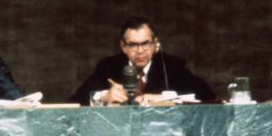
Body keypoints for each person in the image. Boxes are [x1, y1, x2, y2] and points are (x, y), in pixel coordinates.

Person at [70, 16, 215, 106]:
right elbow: (75, 100)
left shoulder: (172, 66)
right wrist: (104, 96)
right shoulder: (108, 66)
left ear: (155, 44)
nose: (140, 51)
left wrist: (165, 98)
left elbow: (207, 95)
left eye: (145, 43)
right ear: (123, 47)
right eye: (133, 45)